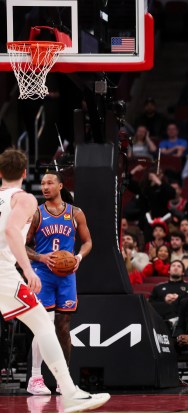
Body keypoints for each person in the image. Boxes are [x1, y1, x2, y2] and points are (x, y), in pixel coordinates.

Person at [0, 149, 109, 411]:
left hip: (50, 276)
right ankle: (68, 391)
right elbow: (11, 231)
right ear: (25, 173)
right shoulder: (24, 199)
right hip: (7, 274)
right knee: (45, 326)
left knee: (50, 324)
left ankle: (65, 388)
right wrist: (28, 269)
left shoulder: (73, 212)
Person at [25, 172, 93, 395]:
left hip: (66, 276)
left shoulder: (75, 213)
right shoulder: (37, 213)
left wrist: (78, 258)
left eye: (49, 183)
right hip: (42, 274)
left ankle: (64, 380)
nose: (44, 187)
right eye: (42, 183)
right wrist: (41, 257)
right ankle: (35, 377)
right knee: (42, 325)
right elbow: (23, 246)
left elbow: (88, 242)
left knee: (63, 328)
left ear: (60, 186)